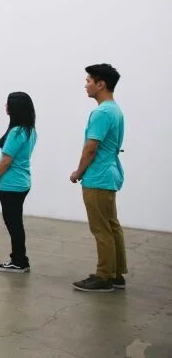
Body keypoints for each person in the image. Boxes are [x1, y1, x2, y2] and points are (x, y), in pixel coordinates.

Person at [70, 64, 126, 293]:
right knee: (112, 225)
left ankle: (104, 276)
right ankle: (116, 273)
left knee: (101, 228)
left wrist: (78, 172)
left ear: (101, 84)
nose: (86, 85)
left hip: (98, 177)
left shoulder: (102, 112)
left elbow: (90, 148)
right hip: (109, 174)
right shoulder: (115, 109)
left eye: (89, 81)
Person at [0, 92, 37, 273]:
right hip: (22, 181)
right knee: (15, 221)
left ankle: (18, 260)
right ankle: (20, 259)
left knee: (13, 223)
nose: (5, 106)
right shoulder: (29, 130)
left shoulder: (17, 131)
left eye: (8, 103)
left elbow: (6, 160)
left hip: (12, 183)